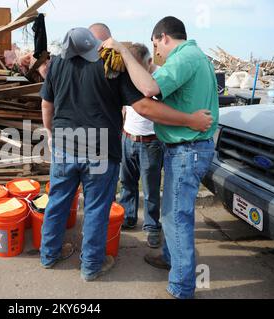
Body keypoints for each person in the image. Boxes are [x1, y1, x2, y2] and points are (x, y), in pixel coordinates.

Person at [39, 27, 213, 282]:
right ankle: (90, 267)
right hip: (100, 150)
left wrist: (51, 133)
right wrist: (189, 120)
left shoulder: (58, 63)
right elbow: (143, 106)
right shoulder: (112, 64)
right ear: (102, 40)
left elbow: (47, 103)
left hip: (65, 145)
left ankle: (48, 255)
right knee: (96, 210)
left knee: (57, 201)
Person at [102, 16, 219, 298]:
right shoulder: (196, 56)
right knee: (175, 212)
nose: (157, 54)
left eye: (156, 46)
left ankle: (181, 287)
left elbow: (150, 89)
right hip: (188, 148)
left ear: (163, 37)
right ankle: (170, 257)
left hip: (187, 150)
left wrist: (124, 52)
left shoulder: (184, 56)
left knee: (175, 216)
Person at [119, 43, 163, 250]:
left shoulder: (161, 79)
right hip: (128, 138)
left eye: (138, 67)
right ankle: (128, 217)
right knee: (127, 182)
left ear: (150, 62)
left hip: (151, 142)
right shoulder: (129, 74)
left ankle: (153, 227)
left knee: (151, 188)